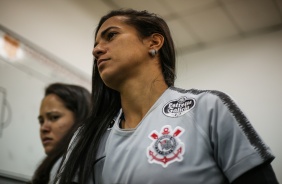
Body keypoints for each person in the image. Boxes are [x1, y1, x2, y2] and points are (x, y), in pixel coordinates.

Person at [55, 9, 278, 184]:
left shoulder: (208, 109)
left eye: (111, 36)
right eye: (95, 45)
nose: (96, 50)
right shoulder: (87, 138)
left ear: (153, 43)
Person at [31, 83, 91, 184]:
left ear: (80, 119)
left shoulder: (79, 165)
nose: (43, 128)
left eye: (54, 117)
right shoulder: (56, 165)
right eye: (41, 121)